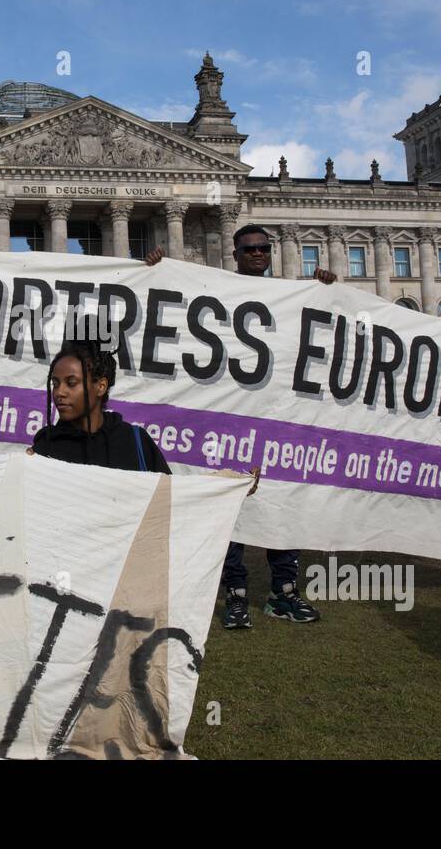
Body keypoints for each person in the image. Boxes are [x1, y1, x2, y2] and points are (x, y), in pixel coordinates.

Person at [152, 224, 328, 627]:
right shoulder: (215, 290)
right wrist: (155, 276)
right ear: (235, 252)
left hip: (277, 419)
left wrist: (326, 291)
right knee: (228, 505)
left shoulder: (290, 296)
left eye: (264, 248)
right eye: (250, 249)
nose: (258, 254)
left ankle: (283, 593)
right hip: (226, 419)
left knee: (282, 503)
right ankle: (235, 594)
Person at [29, 339, 171, 473]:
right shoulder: (46, 446)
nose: (59, 392)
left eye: (71, 383)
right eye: (55, 384)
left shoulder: (134, 440)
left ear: (101, 386)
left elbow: (167, 494)